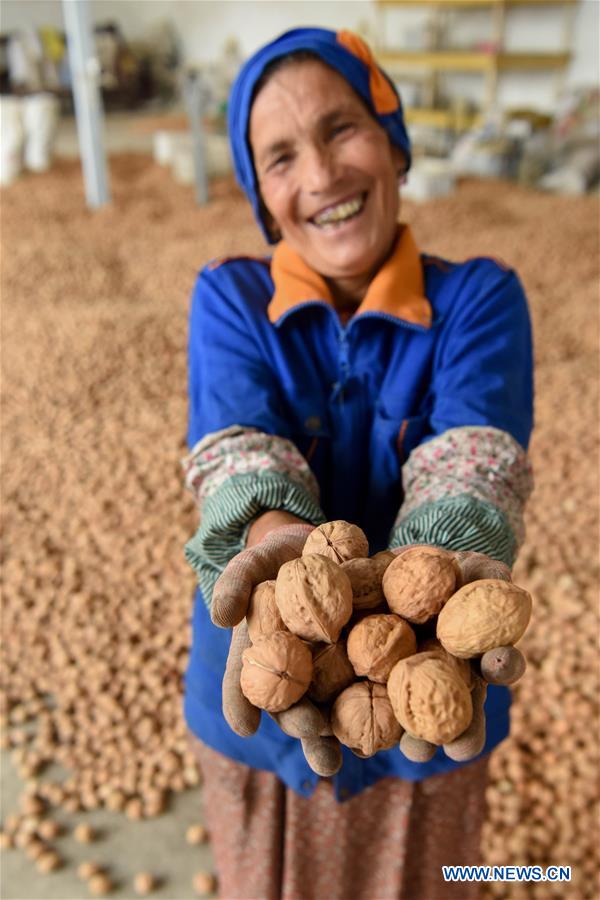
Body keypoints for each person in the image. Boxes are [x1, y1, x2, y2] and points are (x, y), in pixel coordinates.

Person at [182, 27, 533, 900]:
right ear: (262, 198)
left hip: (429, 697)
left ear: (394, 141)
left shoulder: (479, 297)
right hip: (264, 711)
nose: (323, 175)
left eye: (343, 129)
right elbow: (237, 446)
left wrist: (443, 556)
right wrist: (269, 528)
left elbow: (471, 458)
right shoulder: (230, 295)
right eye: (280, 157)